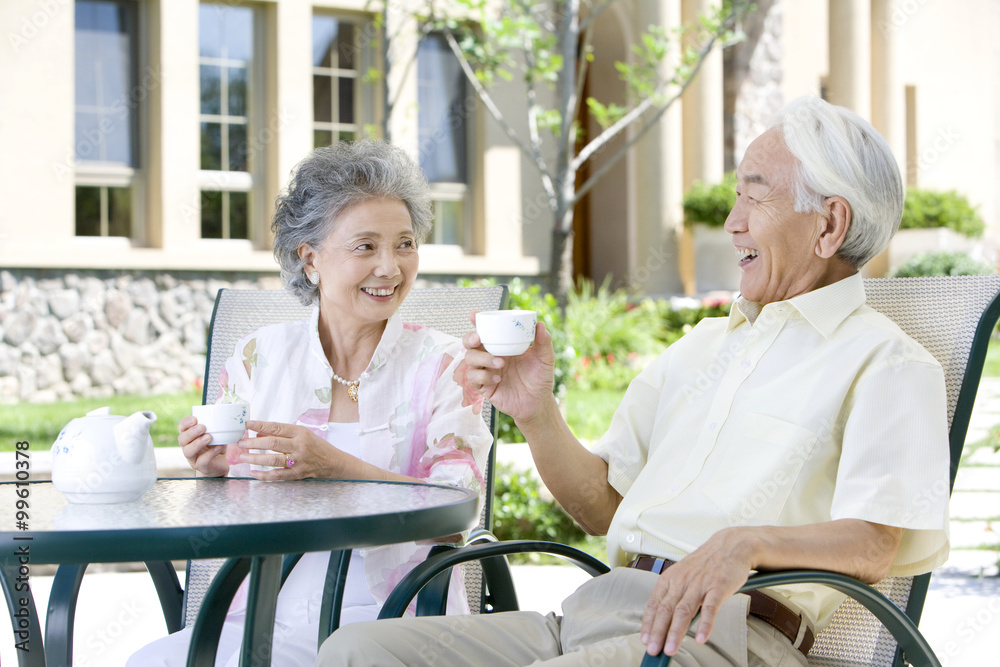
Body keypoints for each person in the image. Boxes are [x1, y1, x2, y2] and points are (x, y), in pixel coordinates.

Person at [316, 96, 951, 666]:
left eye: (753, 197)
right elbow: (600, 505)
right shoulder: (702, 347)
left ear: (829, 224)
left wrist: (746, 544)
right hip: (594, 614)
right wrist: (536, 411)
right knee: (355, 652)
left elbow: (874, 544)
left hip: (721, 634)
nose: (731, 222)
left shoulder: (886, 363)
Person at [128, 140, 492, 667]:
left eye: (405, 244)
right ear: (310, 259)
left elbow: (456, 508)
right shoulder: (259, 357)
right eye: (365, 247)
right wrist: (215, 469)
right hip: (265, 614)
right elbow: (233, 506)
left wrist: (334, 467)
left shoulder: (443, 364)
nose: (390, 268)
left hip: (397, 619)